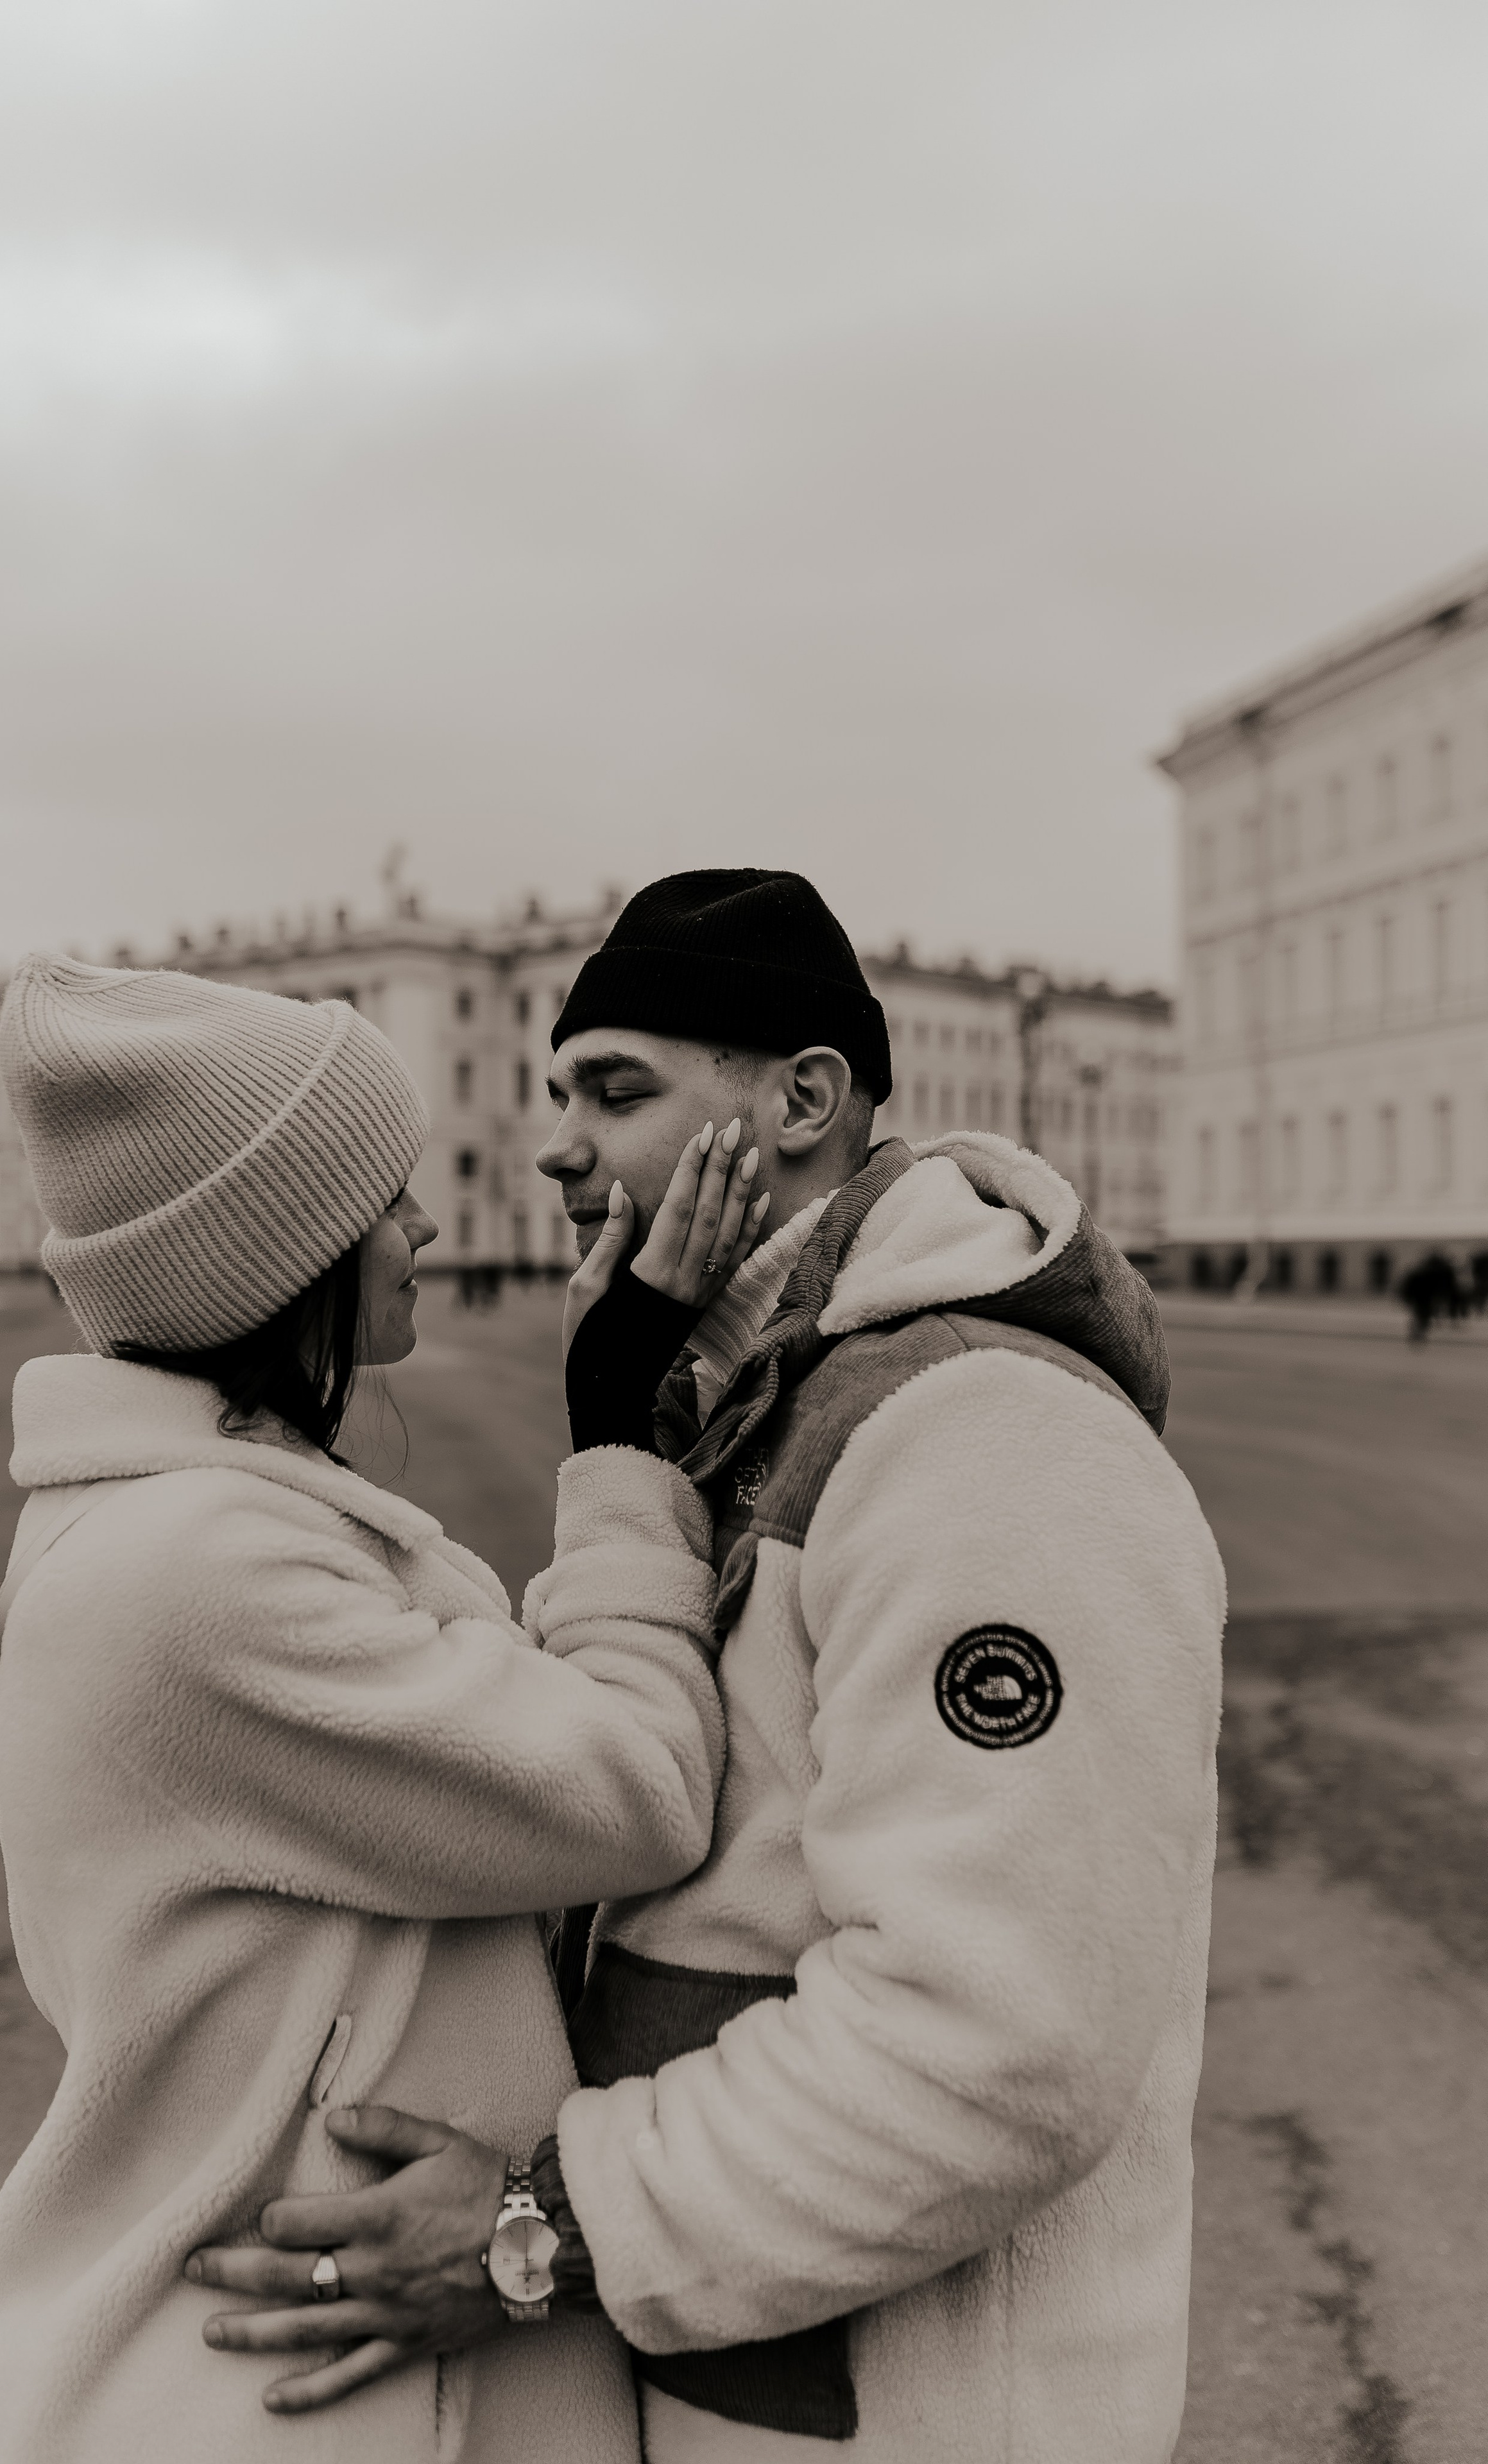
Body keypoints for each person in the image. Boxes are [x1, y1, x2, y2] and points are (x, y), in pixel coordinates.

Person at [194, 870, 1227, 2464]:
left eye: (613, 1090)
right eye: (554, 1094)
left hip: (916, 2415)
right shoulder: (768, 1402)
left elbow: (1000, 2038)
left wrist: (536, 2230)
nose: (552, 1149)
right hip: (761, 2382)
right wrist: (619, 1433)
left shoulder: (980, 1432)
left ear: (805, 1098)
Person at [0, 951, 771, 2464]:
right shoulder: (196, 1568)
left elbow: (481, 1729)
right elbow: (634, 1787)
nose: (424, 1223)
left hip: (310, 2381)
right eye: (378, 1196)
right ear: (273, 1254)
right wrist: (618, 1439)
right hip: (288, 2407)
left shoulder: (197, 1525)